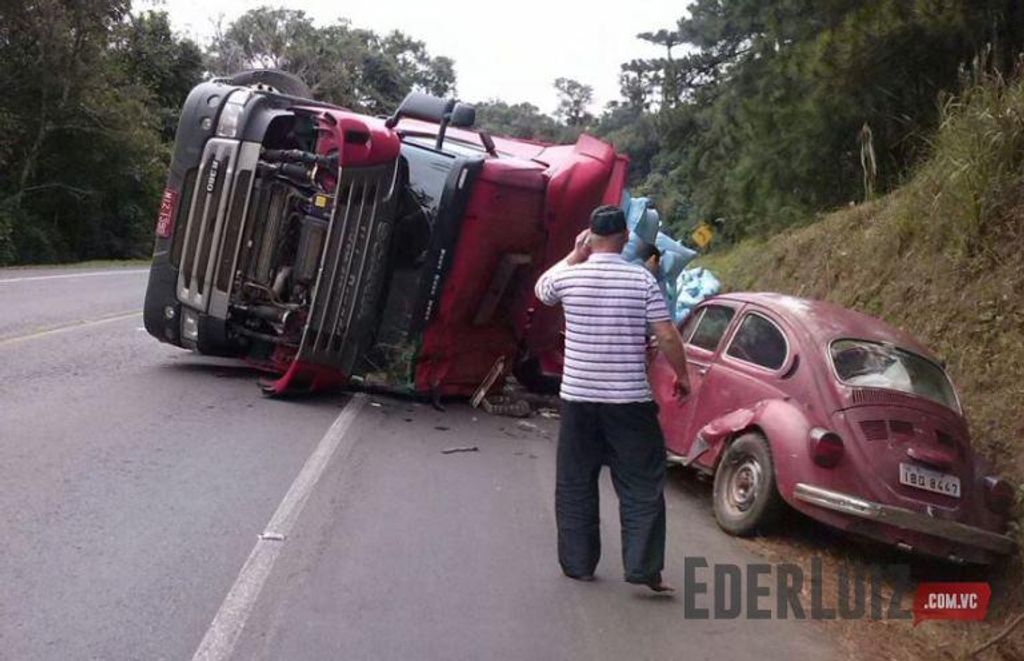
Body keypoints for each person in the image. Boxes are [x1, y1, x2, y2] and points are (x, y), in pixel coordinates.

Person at [534, 205, 691, 593]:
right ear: (624, 238)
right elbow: (667, 335)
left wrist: (574, 254)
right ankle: (642, 568)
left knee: (575, 481)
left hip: (577, 399)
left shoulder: (570, 276)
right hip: (627, 401)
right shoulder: (641, 280)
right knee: (641, 481)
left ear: (589, 237)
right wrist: (683, 376)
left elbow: (542, 289)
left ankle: (578, 564)